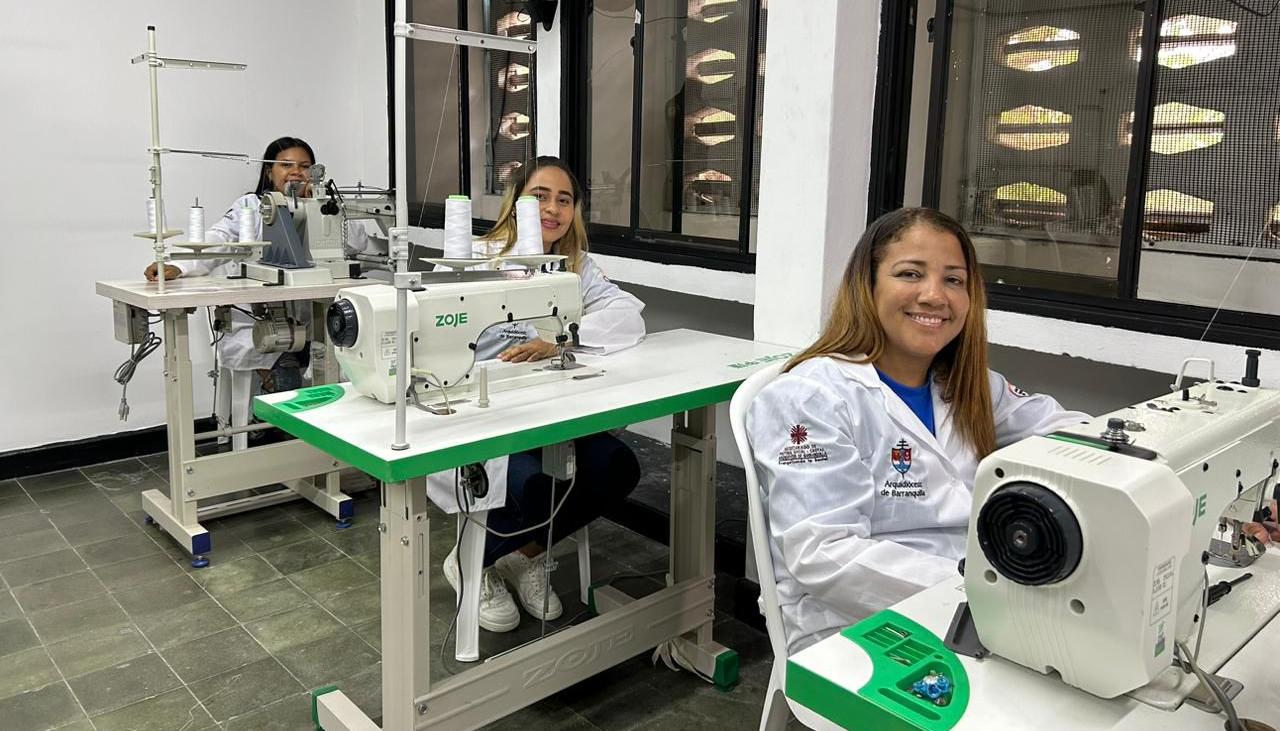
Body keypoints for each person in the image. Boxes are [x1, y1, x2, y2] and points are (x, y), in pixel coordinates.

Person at [746, 207, 1091, 654]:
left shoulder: (972, 386)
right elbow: (825, 554)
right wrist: (983, 590)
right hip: (852, 621)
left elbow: (1067, 431)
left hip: (978, 594)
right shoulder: (811, 398)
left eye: (954, 280)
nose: (934, 295)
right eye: (910, 274)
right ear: (867, 286)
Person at [440, 156, 647, 633]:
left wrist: (562, 339)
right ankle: (473, 562)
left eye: (564, 199)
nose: (552, 209)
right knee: (534, 482)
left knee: (617, 467)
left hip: (553, 405)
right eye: (539, 196)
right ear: (515, 203)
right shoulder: (474, 258)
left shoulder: (577, 268)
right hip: (485, 409)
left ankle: (524, 555)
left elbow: (627, 318)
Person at [143, 136, 373, 393]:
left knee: (344, 363)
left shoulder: (323, 206)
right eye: (286, 165)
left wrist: (323, 205)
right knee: (287, 375)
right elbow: (220, 239)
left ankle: (319, 424)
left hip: (313, 324)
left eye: (305, 166)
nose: (297, 172)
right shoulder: (251, 208)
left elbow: (357, 242)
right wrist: (179, 267)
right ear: (269, 171)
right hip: (259, 326)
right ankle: (266, 418)